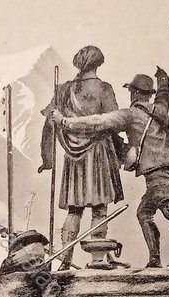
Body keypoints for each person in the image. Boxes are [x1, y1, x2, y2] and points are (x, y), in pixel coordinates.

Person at [51, 67, 169, 271]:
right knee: (144, 213)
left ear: (134, 93)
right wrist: (163, 79)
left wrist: (65, 121)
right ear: (148, 94)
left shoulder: (130, 115)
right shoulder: (160, 109)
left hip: (157, 171)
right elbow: (164, 95)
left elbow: (98, 121)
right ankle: (154, 261)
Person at [39, 45, 125, 271]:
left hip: (73, 157)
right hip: (99, 153)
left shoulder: (64, 89)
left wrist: (47, 158)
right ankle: (97, 259)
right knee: (99, 208)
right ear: (98, 64)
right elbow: (113, 122)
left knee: (74, 209)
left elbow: (49, 123)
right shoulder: (104, 89)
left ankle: (65, 260)